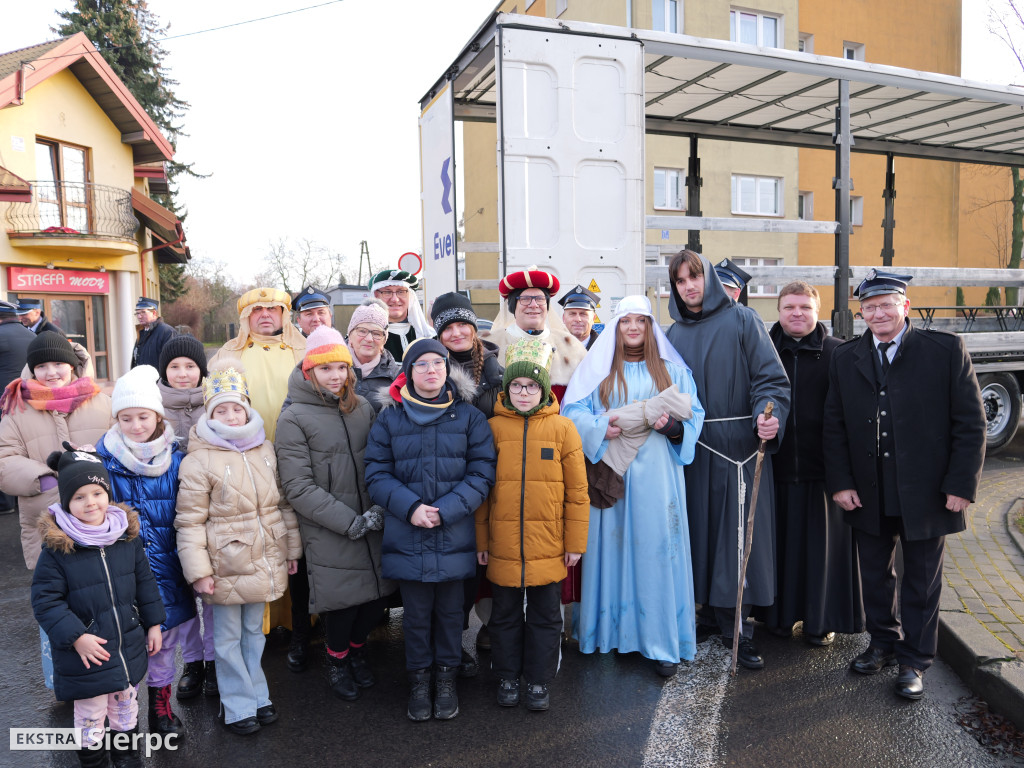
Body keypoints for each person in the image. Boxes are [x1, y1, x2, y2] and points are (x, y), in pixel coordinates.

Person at [824, 270, 985, 701]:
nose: (877, 313)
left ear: (905, 307)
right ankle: (882, 643)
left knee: (921, 579)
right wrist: (840, 482)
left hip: (928, 490)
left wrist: (961, 484)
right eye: (869, 307)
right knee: (875, 575)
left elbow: (970, 424)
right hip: (867, 488)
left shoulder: (945, 350)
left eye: (886, 305)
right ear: (862, 313)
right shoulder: (846, 356)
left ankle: (914, 660)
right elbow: (834, 425)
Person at [563, 295, 705, 677]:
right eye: (625, 321)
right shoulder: (597, 369)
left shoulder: (673, 371)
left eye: (640, 322)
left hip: (659, 476)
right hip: (612, 471)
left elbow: (695, 415)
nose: (632, 328)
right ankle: (609, 634)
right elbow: (572, 413)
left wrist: (672, 428)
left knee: (656, 551)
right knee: (610, 548)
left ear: (650, 327)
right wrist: (598, 427)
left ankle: (659, 641)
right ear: (615, 326)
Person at [665, 249, 790, 670]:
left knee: (737, 541)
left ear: (709, 281)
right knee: (698, 534)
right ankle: (704, 613)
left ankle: (739, 624)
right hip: (692, 449)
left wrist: (766, 415)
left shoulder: (743, 320)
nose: (689, 287)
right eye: (681, 281)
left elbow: (770, 379)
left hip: (737, 448)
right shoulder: (672, 334)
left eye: (694, 278)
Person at [364, 338, 496, 722]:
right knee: (417, 615)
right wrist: (410, 508)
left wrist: (446, 510)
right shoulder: (390, 418)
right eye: (421, 365)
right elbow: (376, 472)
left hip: (453, 532)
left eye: (437, 364)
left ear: (447, 369)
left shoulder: (468, 417)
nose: (430, 371)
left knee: (452, 614)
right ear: (408, 373)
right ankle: (420, 679)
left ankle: (446, 677)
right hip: (408, 533)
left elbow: (482, 471)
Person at [175, 359, 302, 734]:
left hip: (263, 560)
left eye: (236, 407)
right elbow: (189, 522)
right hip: (225, 566)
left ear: (247, 408)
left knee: (254, 633)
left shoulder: (265, 449)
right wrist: (199, 572)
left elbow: (282, 505)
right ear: (209, 413)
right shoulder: (198, 460)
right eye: (221, 409)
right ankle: (237, 706)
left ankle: (258, 695)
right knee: (227, 639)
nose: (231, 416)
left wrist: (290, 550)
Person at [276, 326, 395, 701]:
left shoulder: (361, 407)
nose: (336, 376)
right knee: (342, 603)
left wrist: (379, 505)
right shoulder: (294, 417)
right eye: (326, 369)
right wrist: (349, 522)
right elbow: (298, 486)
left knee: (374, 598)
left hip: (371, 518)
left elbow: (380, 461)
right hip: (329, 525)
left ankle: (357, 652)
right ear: (310, 370)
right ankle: (337, 659)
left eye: (341, 368)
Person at [31, 444, 165, 768]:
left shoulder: (125, 537)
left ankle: (127, 756)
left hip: (126, 646)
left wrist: (154, 623)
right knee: (91, 714)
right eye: (79, 497)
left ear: (107, 493)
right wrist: (77, 636)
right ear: (66, 502)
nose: (90, 502)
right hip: (89, 653)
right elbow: (46, 601)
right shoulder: (58, 548)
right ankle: (94, 762)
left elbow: (145, 583)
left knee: (125, 705)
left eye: (96, 493)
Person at [476, 338, 588, 710]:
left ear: (543, 389)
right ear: (507, 389)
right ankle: (507, 676)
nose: (524, 392)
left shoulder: (563, 430)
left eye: (532, 386)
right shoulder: (491, 429)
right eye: (517, 386)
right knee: (504, 617)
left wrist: (575, 543)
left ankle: (538, 681)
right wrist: (482, 541)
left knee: (545, 618)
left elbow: (577, 493)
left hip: (549, 545)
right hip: (503, 545)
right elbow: (482, 493)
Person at [0, 331, 112, 691]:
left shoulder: (102, 402)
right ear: (32, 370)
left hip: (99, 525)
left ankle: (108, 679)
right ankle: (65, 684)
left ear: (73, 365)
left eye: (58, 364)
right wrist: (50, 480)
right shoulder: (17, 409)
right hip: (46, 526)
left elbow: (119, 449)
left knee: (103, 602)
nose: (51, 372)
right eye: (42, 366)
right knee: (56, 607)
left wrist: (95, 464)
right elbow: (4, 461)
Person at [760, 281, 864, 646]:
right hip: (776, 470)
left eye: (805, 307)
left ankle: (821, 621)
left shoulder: (839, 353)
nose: (797, 313)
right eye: (789, 307)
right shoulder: (764, 351)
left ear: (817, 311)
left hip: (825, 474)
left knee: (823, 555)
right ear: (779, 310)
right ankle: (778, 617)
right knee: (781, 551)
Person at [95, 365, 193, 737]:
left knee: (164, 643)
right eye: (126, 418)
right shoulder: (103, 463)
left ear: (157, 416)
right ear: (116, 418)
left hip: (167, 568)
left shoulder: (177, 461)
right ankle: (125, 713)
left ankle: (161, 707)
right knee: (125, 643)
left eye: (143, 417)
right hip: (122, 574)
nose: (136, 426)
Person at [209, 288, 307, 651]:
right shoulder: (227, 356)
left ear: (284, 314)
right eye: (258, 310)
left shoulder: (302, 351)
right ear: (245, 317)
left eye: (274, 309)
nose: (266, 315)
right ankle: (258, 626)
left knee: (292, 537)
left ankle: (300, 620)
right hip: (246, 461)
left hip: (295, 457)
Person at [432, 291, 505, 672]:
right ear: (438, 332)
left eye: (464, 324)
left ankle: (486, 630)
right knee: (449, 572)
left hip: (483, 481)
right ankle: (449, 644)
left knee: (478, 564)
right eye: (449, 327)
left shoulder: (494, 370)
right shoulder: (427, 365)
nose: (457, 332)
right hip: (441, 482)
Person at [156, 335, 217, 701]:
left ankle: (212, 662)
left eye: (190, 366)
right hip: (163, 513)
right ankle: (192, 662)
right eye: (175, 366)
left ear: (201, 371)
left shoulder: (214, 405)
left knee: (208, 590)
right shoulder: (151, 407)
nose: (182, 374)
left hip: (206, 513)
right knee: (178, 595)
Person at [479, 266, 587, 406]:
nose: (534, 305)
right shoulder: (488, 345)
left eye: (540, 299)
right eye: (525, 299)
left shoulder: (571, 346)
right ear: (513, 306)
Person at [0, 299, 34, 514]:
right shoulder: (32, 336)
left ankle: (4, 503)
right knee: (24, 449)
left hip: (3, 404)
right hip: (28, 403)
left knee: (4, 451)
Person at [346, 298, 402, 411]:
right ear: (350, 334)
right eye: (362, 331)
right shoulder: (332, 368)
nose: (369, 339)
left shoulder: (395, 377)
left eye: (376, 333)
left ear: (384, 341)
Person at [368, 269, 435, 361]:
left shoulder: (430, 337)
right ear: (376, 296)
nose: (395, 299)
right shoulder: (365, 339)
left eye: (401, 292)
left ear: (410, 296)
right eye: (387, 292)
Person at [131, 297, 176, 370]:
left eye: (143, 312)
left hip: (158, 381)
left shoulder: (167, 332)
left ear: (154, 313)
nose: (139, 316)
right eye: (137, 313)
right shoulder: (141, 333)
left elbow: (172, 362)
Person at [557, 284, 601, 349]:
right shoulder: (552, 348)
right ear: (563, 318)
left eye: (583, 314)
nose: (578, 319)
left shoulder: (605, 348)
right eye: (572, 314)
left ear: (593, 318)